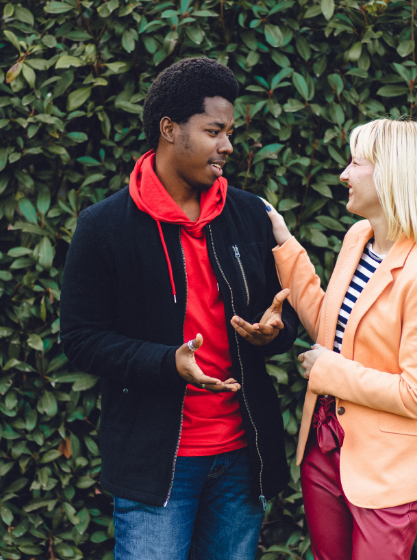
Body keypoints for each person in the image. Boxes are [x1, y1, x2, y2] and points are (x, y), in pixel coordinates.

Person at [60, 57, 298, 560]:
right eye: (214, 131)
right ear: (169, 130)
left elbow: (287, 313)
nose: (227, 146)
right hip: (156, 466)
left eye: (229, 132)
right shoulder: (103, 226)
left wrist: (273, 332)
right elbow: (80, 339)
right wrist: (166, 362)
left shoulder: (251, 214)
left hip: (240, 457)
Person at [257, 119, 417, 560]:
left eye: (355, 163)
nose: (344, 174)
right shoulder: (359, 239)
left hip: (387, 469)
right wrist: (285, 242)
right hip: (325, 449)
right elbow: (329, 327)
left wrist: (332, 372)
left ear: (391, 174)